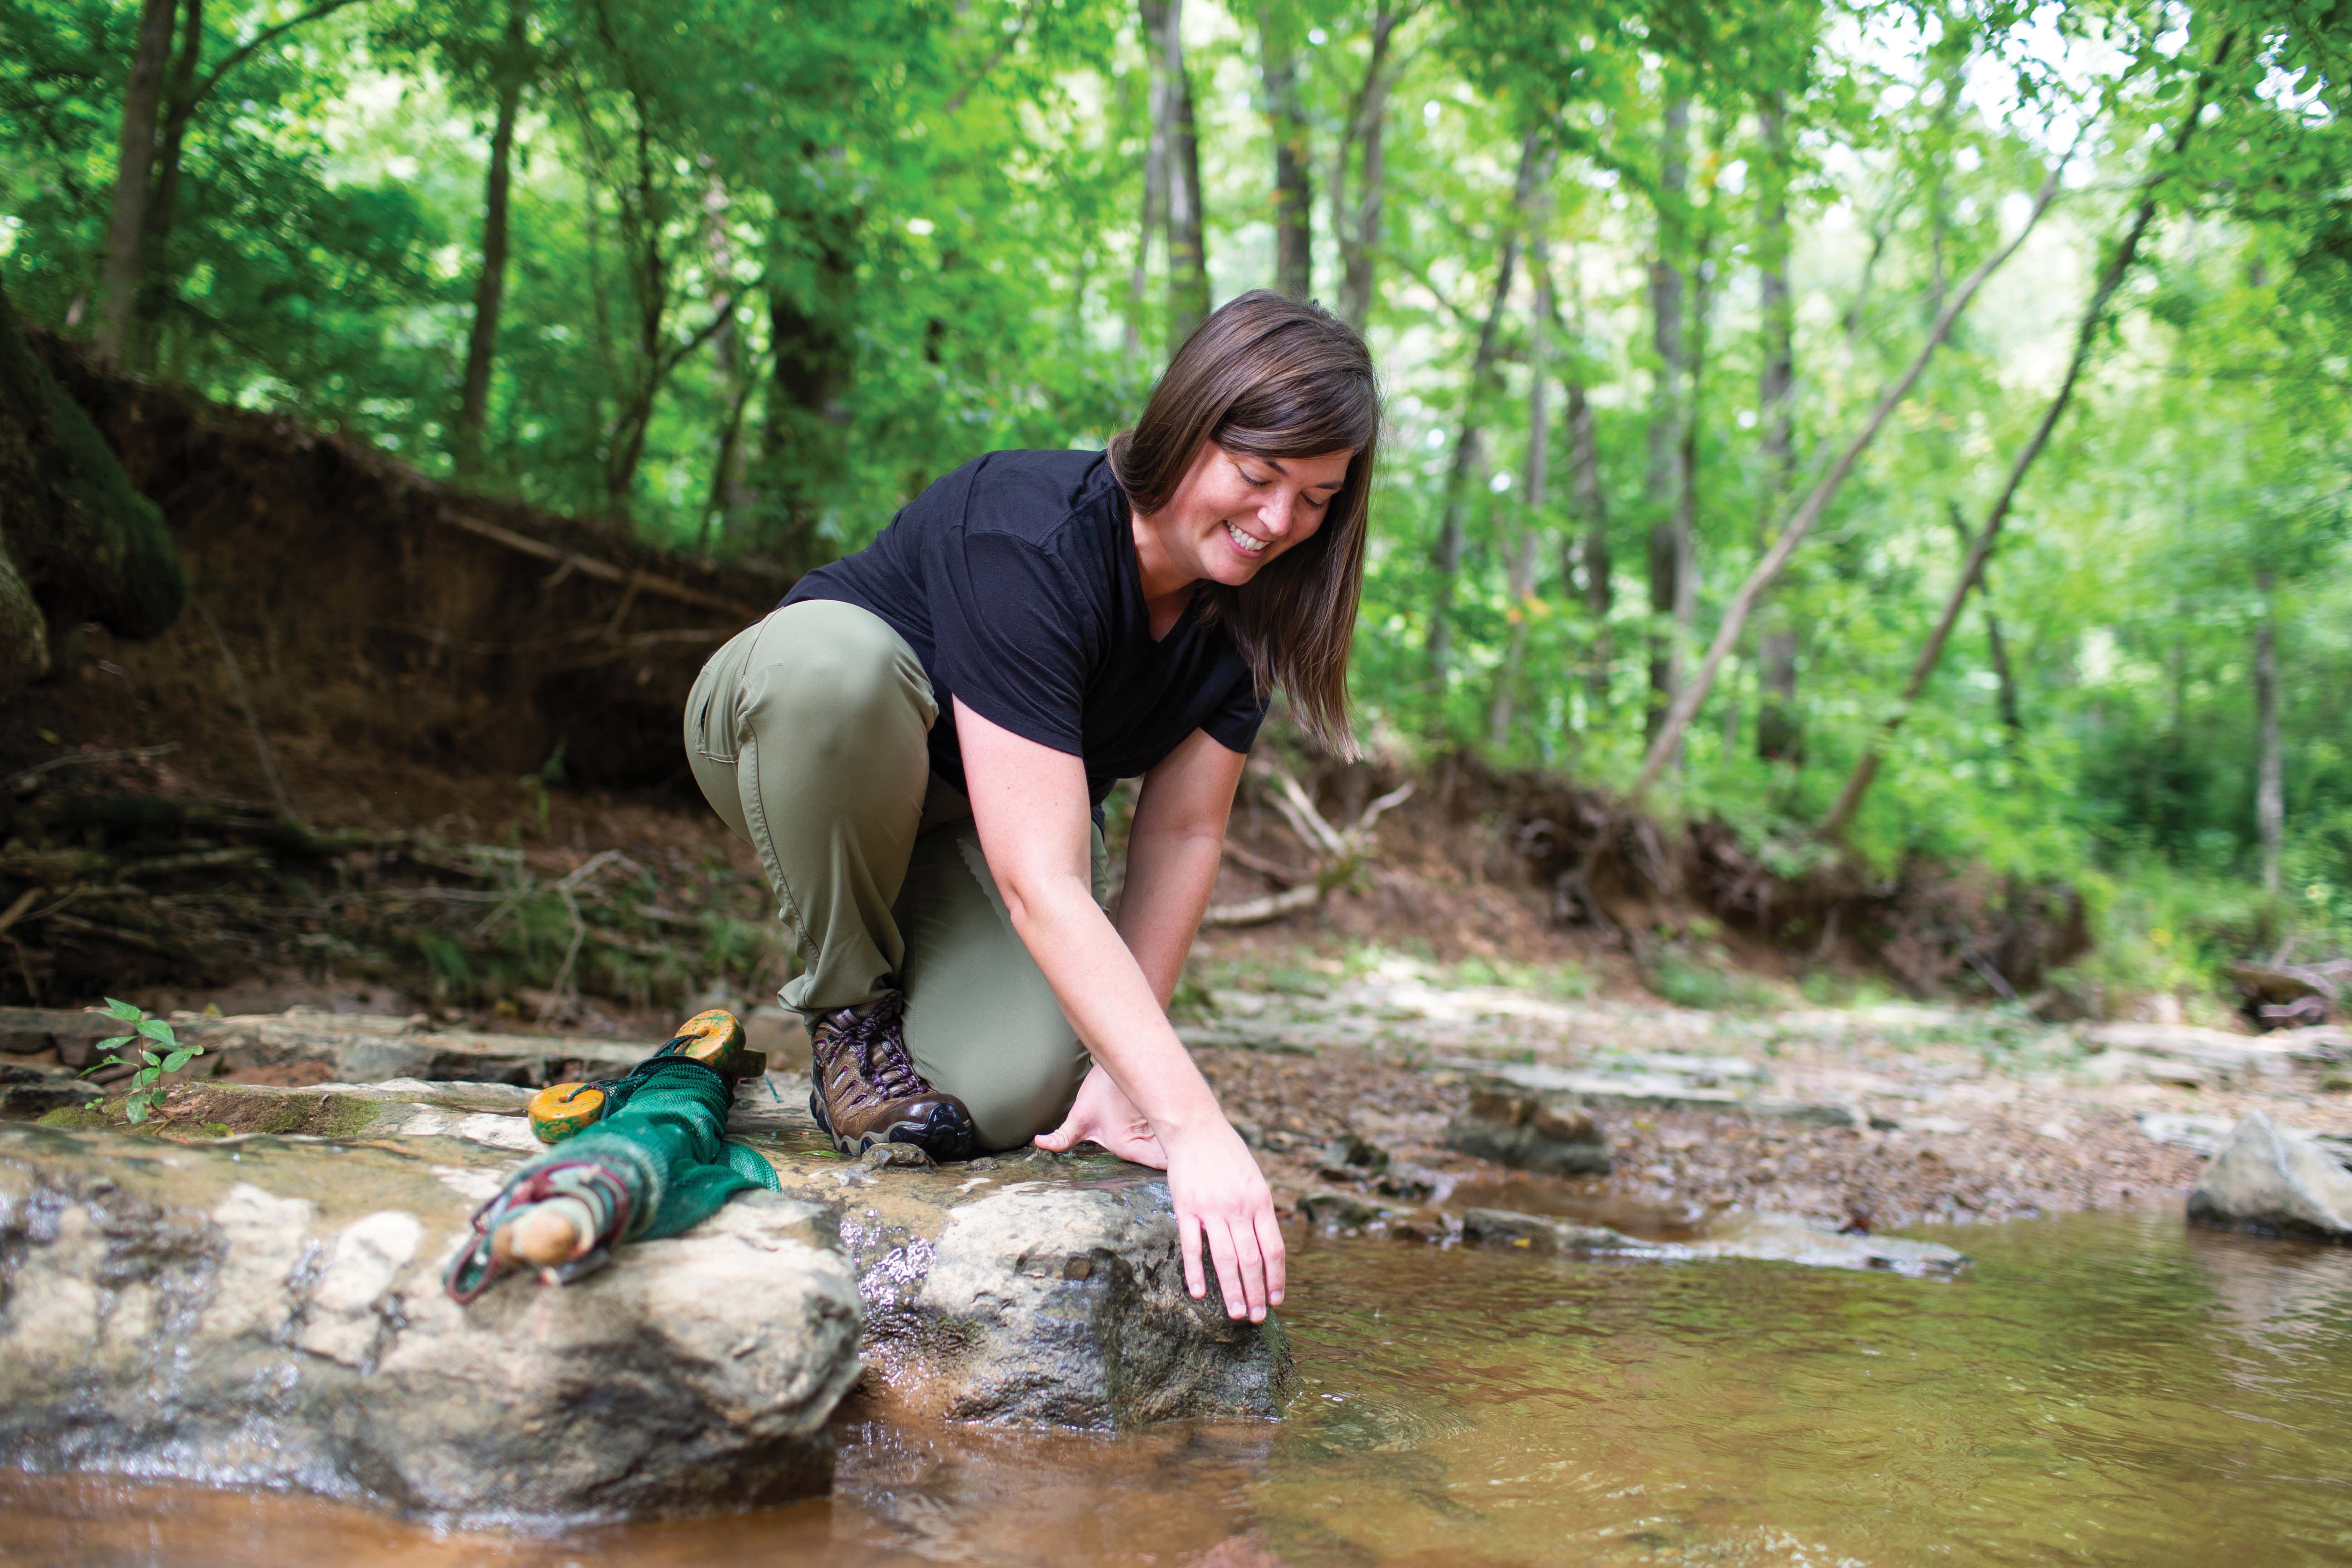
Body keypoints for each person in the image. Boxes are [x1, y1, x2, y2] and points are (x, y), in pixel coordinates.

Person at [682, 290, 1378, 1324]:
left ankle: (912, 1024)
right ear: (1186, 429)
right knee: (840, 669)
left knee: (1008, 1095)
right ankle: (849, 1005)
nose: (1280, 523)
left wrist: (1122, 1076)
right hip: (798, 738)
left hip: (967, 825)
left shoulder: (1246, 622)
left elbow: (1182, 834)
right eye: (1258, 475)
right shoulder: (1026, 531)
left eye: (1317, 498)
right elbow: (1041, 880)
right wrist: (1195, 1127)